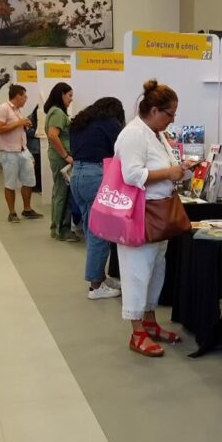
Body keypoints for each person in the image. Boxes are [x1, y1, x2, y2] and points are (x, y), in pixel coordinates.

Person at [114, 80, 193, 357]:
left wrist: (176, 170)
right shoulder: (134, 134)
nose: (172, 120)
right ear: (155, 110)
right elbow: (131, 175)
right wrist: (169, 174)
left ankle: (149, 322)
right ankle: (137, 332)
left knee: (155, 270)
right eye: (170, 114)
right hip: (140, 213)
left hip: (159, 214)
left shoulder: (155, 133)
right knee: (137, 271)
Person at [69, 97, 125, 300]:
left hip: (77, 175)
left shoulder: (79, 122)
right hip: (96, 177)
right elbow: (120, 150)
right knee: (100, 234)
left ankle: (99, 277)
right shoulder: (110, 124)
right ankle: (95, 285)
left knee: (90, 229)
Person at [0, 85, 43, 223]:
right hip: (9, 152)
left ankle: (27, 209)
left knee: (29, 180)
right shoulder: (3, 108)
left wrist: (23, 124)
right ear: (18, 96)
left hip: (22, 150)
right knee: (10, 183)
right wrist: (18, 123)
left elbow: (16, 126)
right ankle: (12, 212)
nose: (26, 99)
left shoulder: (18, 111)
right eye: (25, 96)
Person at [44, 82, 78, 241]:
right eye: (69, 95)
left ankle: (60, 227)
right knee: (62, 193)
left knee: (61, 192)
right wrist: (66, 156)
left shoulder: (55, 111)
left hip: (59, 156)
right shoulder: (57, 112)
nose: (71, 99)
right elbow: (52, 135)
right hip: (60, 158)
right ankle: (59, 229)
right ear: (62, 94)